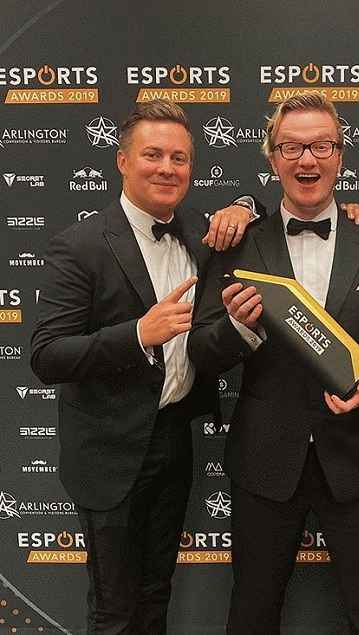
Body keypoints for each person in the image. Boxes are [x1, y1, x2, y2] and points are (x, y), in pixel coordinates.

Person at [189, 94, 359, 635]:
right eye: (291, 147)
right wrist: (239, 329)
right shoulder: (237, 243)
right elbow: (201, 350)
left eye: (321, 146)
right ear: (272, 159)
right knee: (252, 613)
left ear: (340, 156)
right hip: (265, 459)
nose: (307, 160)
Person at [30, 99, 256, 633]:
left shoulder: (200, 231)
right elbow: (46, 355)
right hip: (107, 450)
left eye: (179, 158)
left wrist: (245, 205)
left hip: (174, 438)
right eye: (153, 155)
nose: (167, 168)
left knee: (156, 597)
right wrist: (137, 334)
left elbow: (265, 212)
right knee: (113, 610)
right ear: (122, 161)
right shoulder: (80, 245)